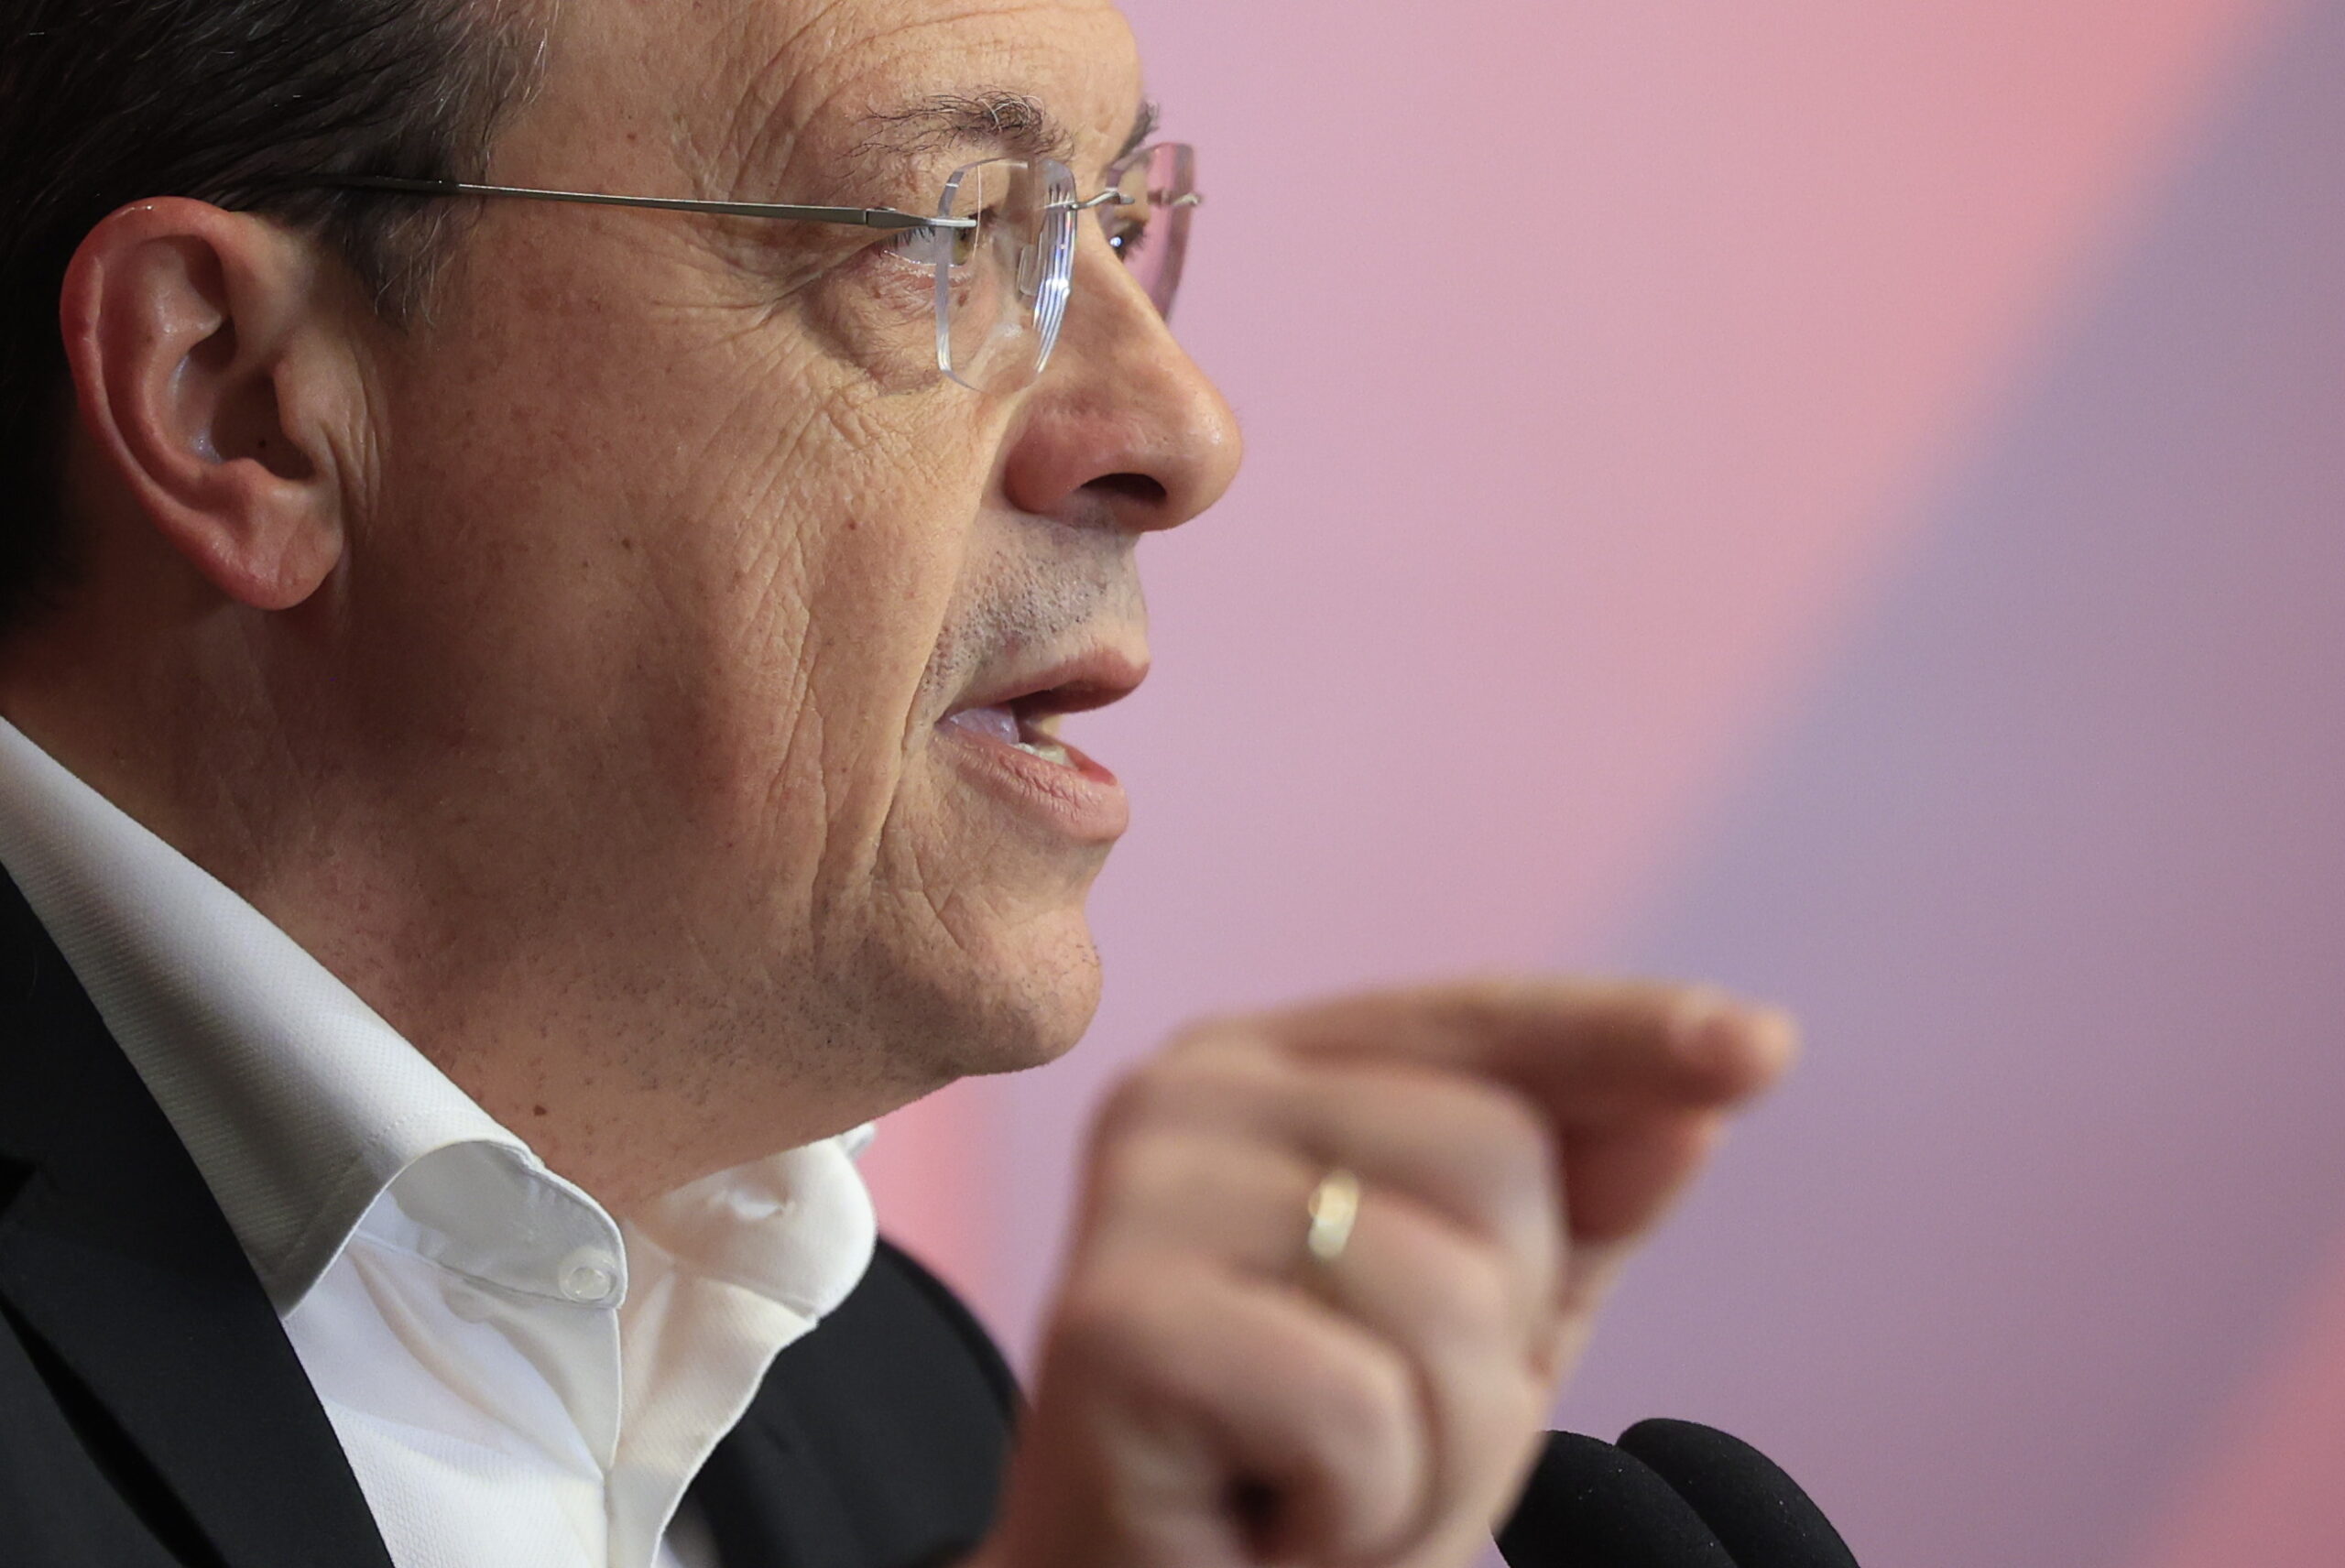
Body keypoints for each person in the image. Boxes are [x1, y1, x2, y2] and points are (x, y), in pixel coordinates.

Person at [0, 1, 1796, 1565]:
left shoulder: (899, 1399)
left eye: (1113, 224)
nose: (1183, 432)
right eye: (943, 231)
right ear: (243, 401)